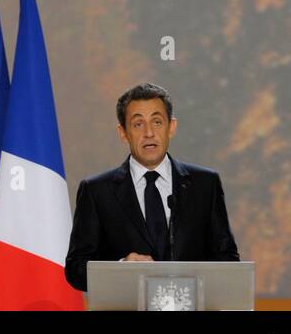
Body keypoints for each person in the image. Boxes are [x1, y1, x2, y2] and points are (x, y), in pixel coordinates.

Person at [64, 82, 239, 293]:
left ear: (171, 127)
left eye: (157, 122)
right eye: (138, 124)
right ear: (123, 133)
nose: (149, 133)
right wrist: (120, 268)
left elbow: (227, 259)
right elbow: (75, 269)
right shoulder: (96, 191)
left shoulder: (205, 184)